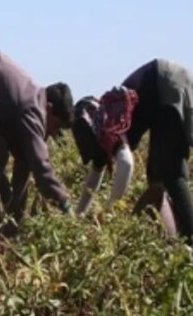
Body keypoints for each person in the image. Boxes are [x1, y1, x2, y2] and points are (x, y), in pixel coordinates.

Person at [70, 60, 193, 240]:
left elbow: (126, 164)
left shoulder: (108, 121)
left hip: (167, 85)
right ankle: (171, 236)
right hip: (164, 88)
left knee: (171, 172)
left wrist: (109, 209)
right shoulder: (98, 135)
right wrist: (77, 218)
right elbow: (94, 177)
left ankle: (189, 238)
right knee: (156, 174)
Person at [0, 51, 74, 232]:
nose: (53, 132)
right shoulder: (33, 111)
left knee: (22, 158)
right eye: (56, 125)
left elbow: (25, 164)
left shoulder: (35, 101)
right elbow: (41, 168)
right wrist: (64, 203)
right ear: (49, 109)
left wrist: (15, 219)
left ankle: (10, 219)